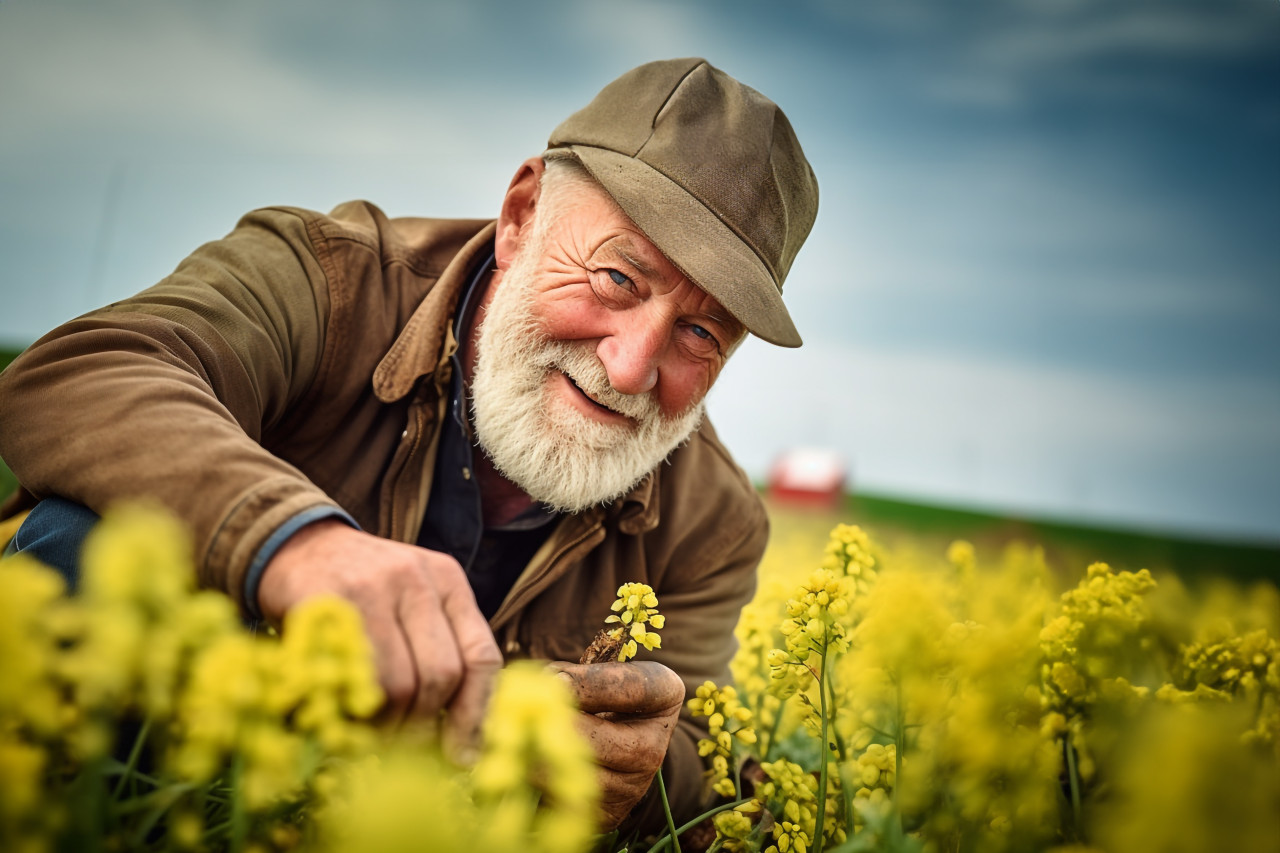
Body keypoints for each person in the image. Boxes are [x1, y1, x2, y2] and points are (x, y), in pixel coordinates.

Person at [0, 57, 818, 832]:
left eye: (701, 331)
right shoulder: (327, 279)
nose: (631, 365)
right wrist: (295, 545)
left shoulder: (715, 521)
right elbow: (85, 370)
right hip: (174, 763)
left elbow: (698, 749)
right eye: (616, 278)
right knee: (88, 541)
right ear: (521, 215)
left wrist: (641, 776)